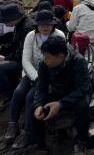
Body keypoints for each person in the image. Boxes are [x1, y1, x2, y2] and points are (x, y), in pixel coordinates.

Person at [5, 10, 66, 148]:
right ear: (36, 25)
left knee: (30, 97)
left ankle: (27, 132)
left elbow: (61, 59)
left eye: (48, 24)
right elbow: (25, 60)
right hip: (31, 73)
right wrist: (36, 77)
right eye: (42, 24)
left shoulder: (59, 36)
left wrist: (43, 80)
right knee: (19, 92)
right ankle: (13, 124)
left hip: (50, 76)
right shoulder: (30, 36)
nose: (45, 27)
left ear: (53, 25)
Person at [26, 37, 90, 152]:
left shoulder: (78, 61)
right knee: (34, 109)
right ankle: (41, 145)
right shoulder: (44, 64)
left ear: (61, 56)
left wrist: (61, 104)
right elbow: (41, 87)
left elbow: (83, 89)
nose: (45, 60)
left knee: (83, 106)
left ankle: (81, 141)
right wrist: (38, 104)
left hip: (76, 93)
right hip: (58, 91)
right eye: (44, 56)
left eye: (48, 58)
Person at [0, 3, 35, 102]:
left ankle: (9, 96)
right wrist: (0, 48)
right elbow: (14, 44)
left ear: (13, 17)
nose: (4, 23)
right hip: (18, 56)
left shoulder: (27, 28)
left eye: (5, 21)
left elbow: (25, 54)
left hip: (27, 64)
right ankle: (3, 84)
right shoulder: (19, 24)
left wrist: (5, 58)